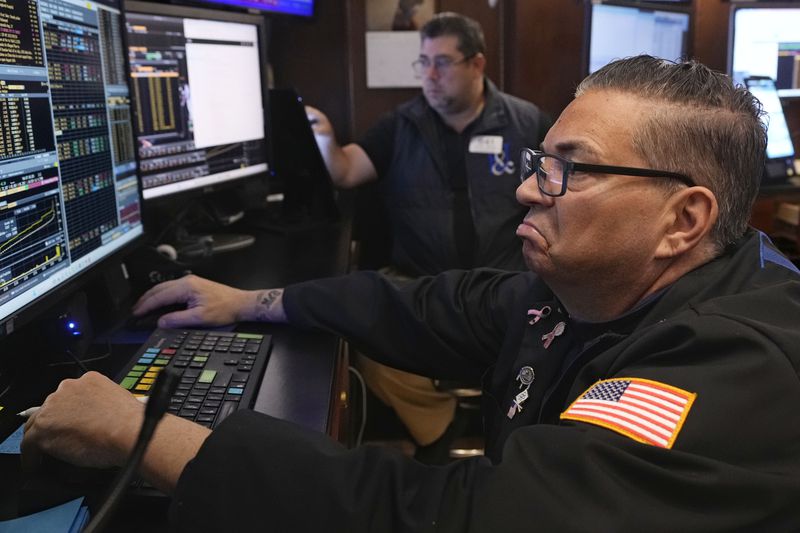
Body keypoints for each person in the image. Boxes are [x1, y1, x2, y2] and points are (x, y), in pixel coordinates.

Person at [23, 56, 800, 531]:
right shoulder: (589, 289)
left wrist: (141, 430)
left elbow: (459, 520)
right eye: (540, 160)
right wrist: (250, 303)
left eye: (571, 168)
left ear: (684, 218)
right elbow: (430, 305)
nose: (530, 189)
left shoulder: (730, 367)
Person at [307, 12, 552, 455]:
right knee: (365, 344)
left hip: (503, 288)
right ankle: (439, 429)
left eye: (442, 63)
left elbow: (560, 195)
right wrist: (323, 137)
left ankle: (517, 449)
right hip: (422, 287)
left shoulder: (528, 124)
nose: (430, 76)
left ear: (477, 65)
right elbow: (345, 171)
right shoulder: (400, 125)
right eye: (423, 63)